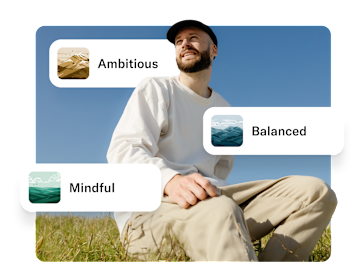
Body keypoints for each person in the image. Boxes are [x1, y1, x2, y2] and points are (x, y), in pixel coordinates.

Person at [106, 19, 337, 262]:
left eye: (193, 37)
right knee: (221, 209)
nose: (184, 44)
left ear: (214, 50)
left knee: (318, 193)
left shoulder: (225, 112)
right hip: (152, 213)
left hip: (214, 202)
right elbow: (123, 150)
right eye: (178, 41)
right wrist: (171, 181)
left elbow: (221, 170)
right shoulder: (155, 88)